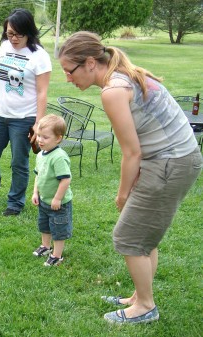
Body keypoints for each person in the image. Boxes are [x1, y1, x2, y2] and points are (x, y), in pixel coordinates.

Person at [58, 31, 202, 324]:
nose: (68, 79)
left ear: (88, 63)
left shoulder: (112, 90)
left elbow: (131, 153)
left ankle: (145, 307)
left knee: (128, 236)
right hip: (179, 159)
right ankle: (139, 296)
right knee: (144, 234)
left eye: (69, 72)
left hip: (169, 162)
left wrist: (123, 194)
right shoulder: (123, 74)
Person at [0, 8, 52, 216]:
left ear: (28, 32)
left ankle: (15, 202)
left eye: (17, 34)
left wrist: (38, 123)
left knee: (19, 163)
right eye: (9, 33)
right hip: (0, 115)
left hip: (24, 119)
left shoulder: (39, 56)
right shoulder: (4, 47)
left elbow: (42, 93)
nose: (12, 38)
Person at [31, 114, 73, 267]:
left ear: (58, 138)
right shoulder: (41, 154)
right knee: (44, 225)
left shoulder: (59, 157)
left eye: (45, 137)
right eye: (39, 136)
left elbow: (65, 179)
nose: (40, 140)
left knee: (58, 229)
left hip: (58, 204)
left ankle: (57, 255)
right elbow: (38, 175)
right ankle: (45, 246)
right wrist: (35, 192)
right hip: (44, 200)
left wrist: (57, 198)